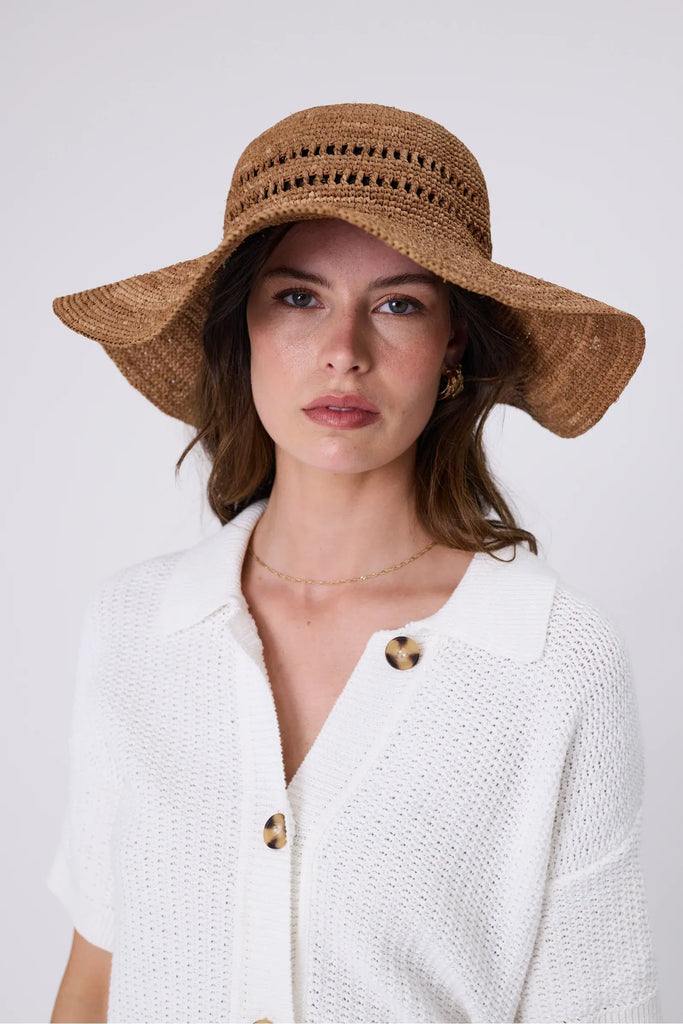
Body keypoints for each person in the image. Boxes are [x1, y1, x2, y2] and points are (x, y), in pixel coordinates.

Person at [47, 102, 662, 1024]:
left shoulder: (549, 659)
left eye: (398, 304)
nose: (344, 354)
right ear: (241, 327)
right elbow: (92, 987)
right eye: (298, 297)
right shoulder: (139, 627)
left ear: (451, 342)